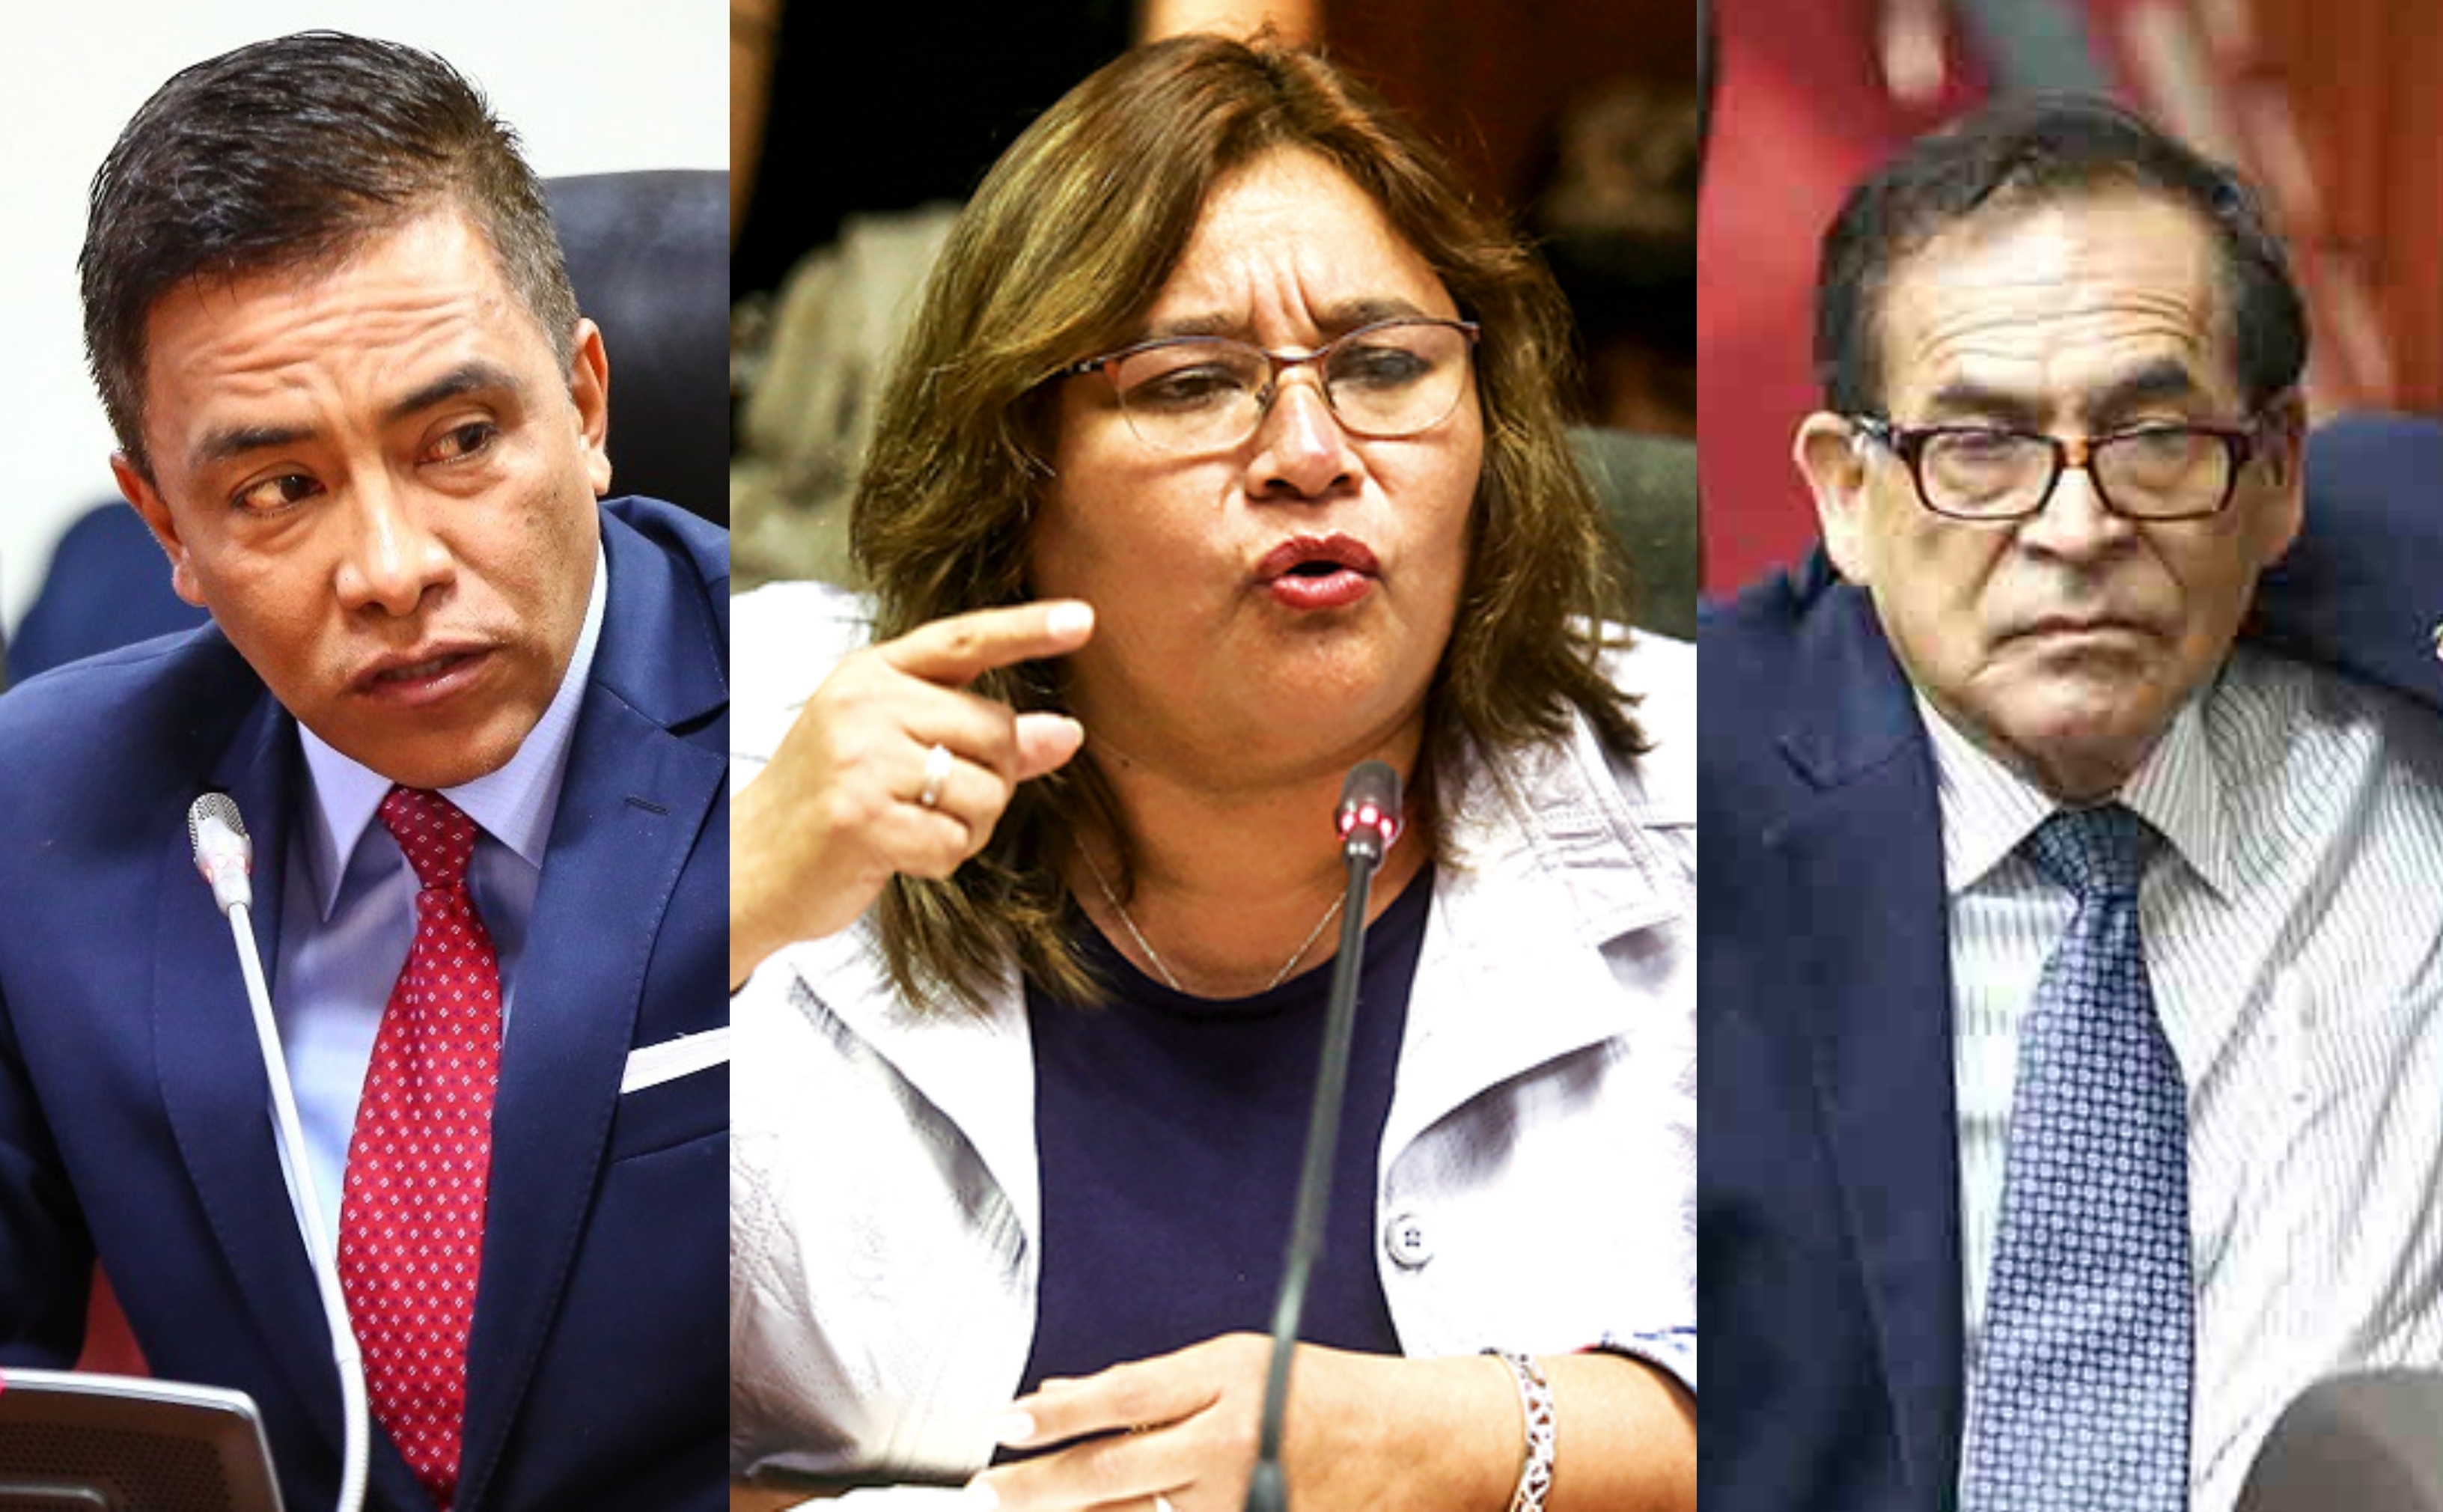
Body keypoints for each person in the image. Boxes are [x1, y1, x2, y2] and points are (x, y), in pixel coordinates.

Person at [729, 34, 1695, 1512]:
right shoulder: (740, 743)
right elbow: (464, 1364)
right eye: (1193, 385)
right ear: (1014, 472)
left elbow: (1899, 1371)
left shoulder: (1724, 786)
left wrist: (1453, 1438)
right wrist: (717, 910)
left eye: (1385, 366)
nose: (1311, 451)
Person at [0, 33, 727, 1512]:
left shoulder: (808, 726)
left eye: (460, 440)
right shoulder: (42, 815)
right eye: (279, 489)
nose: (392, 570)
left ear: (586, 406)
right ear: (167, 528)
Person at [1698, 95, 2443, 1512]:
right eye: (1979, 448)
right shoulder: (1695, 810)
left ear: (2277, 471)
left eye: (2154, 435)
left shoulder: (2395, 686)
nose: (2076, 526)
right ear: (1847, 494)